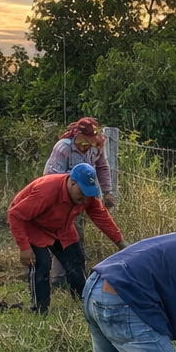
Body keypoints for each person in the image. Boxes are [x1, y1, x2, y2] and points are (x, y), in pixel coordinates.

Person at [8, 163, 126, 315]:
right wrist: (24, 247)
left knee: (76, 261)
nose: (85, 198)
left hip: (61, 226)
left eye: (88, 193)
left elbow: (101, 216)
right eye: (82, 192)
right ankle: (39, 311)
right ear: (72, 182)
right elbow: (15, 215)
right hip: (34, 224)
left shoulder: (86, 197)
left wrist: (120, 242)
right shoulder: (46, 191)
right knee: (41, 264)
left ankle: (83, 305)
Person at [43, 117, 114, 287]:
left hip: (82, 199)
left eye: (92, 142)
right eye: (85, 141)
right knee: (61, 236)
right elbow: (52, 177)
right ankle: (58, 279)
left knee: (76, 236)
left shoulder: (95, 149)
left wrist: (107, 191)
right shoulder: (63, 148)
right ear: (77, 135)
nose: (88, 146)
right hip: (60, 199)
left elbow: (102, 167)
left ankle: (72, 277)